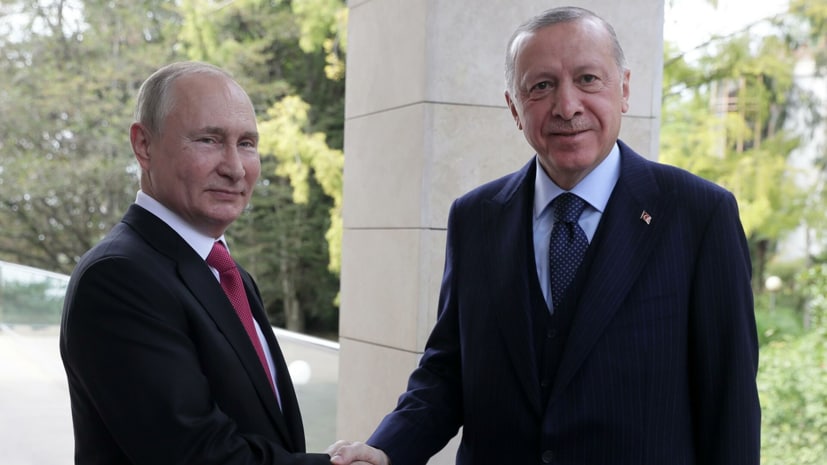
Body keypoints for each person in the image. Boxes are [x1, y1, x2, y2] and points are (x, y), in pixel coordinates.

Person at [329, 6, 760, 465]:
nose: (567, 106)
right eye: (541, 86)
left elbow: (729, 405)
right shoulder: (474, 219)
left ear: (624, 89)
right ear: (514, 107)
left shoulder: (700, 215)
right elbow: (448, 371)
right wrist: (386, 449)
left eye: (588, 79)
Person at [60, 61, 334, 464]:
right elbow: (198, 454)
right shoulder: (117, 277)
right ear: (144, 146)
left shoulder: (229, 275)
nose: (235, 168)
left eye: (247, 143)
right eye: (209, 140)